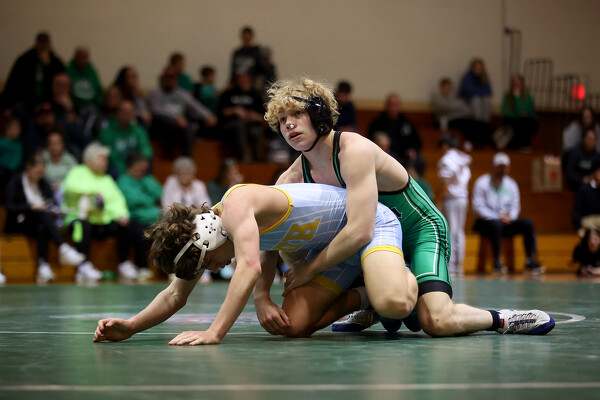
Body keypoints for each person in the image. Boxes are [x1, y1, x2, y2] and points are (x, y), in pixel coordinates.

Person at [262, 77, 554, 337]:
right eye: (282, 119)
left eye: (297, 113)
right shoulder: (290, 178)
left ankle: (502, 319)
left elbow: (361, 230)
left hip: (417, 232)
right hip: (367, 243)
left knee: (435, 320)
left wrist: (310, 269)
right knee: (296, 324)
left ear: (318, 113)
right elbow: (267, 236)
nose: (289, 124)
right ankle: (372, 298)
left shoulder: (353, 150)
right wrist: (261, 296)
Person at [93, 183, 418, 344]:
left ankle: (401, 275)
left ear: (210, 240)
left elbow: (249, 267)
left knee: (396, 304)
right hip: (328, 252)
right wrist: (131, 326)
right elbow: (175, 294)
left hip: (366, 225)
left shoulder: (236, 205)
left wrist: (214, 332)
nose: (215, 269)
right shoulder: (211, 234)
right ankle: (366, 296)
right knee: (295, 326)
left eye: (209, 263)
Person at [5, 151, 85, 283]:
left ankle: (43, 265)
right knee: (41, 214)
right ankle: (62, 248)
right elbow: (9, 206)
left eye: (42, 172)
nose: (40, 175)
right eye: (37, 172)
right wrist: (31, 207)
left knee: (42, 224)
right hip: (19, 221)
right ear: (29, 167)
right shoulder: (16, 181)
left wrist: (55, 210)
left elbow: (51, 203)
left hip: (39, 223)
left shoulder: (43, 183)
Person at [61, 142, 131, 282]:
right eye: (102, 158)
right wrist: (93, 192)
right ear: (90, 159)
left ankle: (124, 263)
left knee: (128, 225)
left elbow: (117, 200)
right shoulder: (77, 172)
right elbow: (69, 187)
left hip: (102, 220)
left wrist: (121, 214)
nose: (105, 162)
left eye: (106, 159)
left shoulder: (107, 179)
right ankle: (84, 265)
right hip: (79, 219)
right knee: (82, 226)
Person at [472, 152, 545, 275]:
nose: (502, 170)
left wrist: (511, 217)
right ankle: (496, 263)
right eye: (499, 167)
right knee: (496, 225)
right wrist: (497, 217)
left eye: (504, 167)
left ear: (508, 168)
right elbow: (478, 207)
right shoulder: (482, 182)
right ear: (494, 167)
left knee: (528, 224)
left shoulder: (511, 184)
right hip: (485, 222)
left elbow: (516, 206)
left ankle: (530, 261)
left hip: (506, 222)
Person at [147, 66, 217, 155]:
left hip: (181, 125)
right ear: (162, 79)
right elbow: (155, 110)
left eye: (172, 78)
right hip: (162, 124)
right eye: (167, 77)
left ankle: (186, 158)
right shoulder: (154, 93)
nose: (169, 81)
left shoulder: (181, 93)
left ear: (176, 80)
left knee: (192, 126)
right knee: (163, 119)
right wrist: (174, 117)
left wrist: (207, 115)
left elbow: (194, 105)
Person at [116, 152, 162, 280]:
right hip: (135, 218)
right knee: (139, 233)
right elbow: (133, 200)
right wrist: (148, 199)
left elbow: (159, 192)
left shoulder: (147, 179)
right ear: (130, 167)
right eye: (139, 169)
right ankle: (142, 266)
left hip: (154, 217)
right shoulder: (124, 181)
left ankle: (170, 268)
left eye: (144, 169)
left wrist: (146, 196)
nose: (142, 171)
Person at [0, 32, 65, 113]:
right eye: (41, 43)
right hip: (27, 100)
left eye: (45, 43)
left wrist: (47, 65)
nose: (43, 46)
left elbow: (61, 81)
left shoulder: (55, 61)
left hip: (49, 100)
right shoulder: (25, 59)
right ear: (36, 44)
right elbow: (13, 82)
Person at [437, 134, 471, 277]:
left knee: (451, 231)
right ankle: (458, 265)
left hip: (452, 199)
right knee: (459, 232)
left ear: (445, 145)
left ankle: (450, 265)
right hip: (463, 198)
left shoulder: (447, 159)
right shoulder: (462, 158)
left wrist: (439, 200)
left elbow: (446, 183)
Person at [432, 77, 494, 148]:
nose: (448, 90)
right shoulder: (438, 99)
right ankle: (484, 142)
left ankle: (493, 133)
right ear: (441, 87)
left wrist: (456, 107)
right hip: (448, 121)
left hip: (460, 118)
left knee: (477, 122)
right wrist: (457, 107)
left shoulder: (454, 98)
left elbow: (465, 108)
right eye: (446, 88)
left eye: (449, 88)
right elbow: (447, 108)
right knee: (466, 124)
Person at [367, 93, 424, 170]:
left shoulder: (407, 123)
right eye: (391, 105)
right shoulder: (377, 123)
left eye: (396, 105)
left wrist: (413, 150)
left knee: (420, 160)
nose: (393, 108)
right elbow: (369, 141)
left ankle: (413, 177)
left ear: (400, 106)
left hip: (405, 155)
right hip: (388, 154)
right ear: (386, 106)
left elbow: (418, 142)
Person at [217, 72, 266, 162]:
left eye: (246, 78)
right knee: (239, 125)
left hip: (250, 124)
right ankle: (244, 156)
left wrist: (254, 116)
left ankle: (257, 159)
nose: (244, 80)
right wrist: (235, 110)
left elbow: (264, 117)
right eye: (241, 78)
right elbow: (222, 112)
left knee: (256, 131)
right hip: (231, 124)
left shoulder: (255, 95)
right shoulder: (229, 93)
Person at [99, 100, 153, 177]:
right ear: (117, 113)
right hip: (116, 167)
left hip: (135, 164)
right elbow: (112, 156)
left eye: (130, 112)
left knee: (149, 160)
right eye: (124, 112)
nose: (127, 115)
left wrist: (139, 164)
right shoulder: (107, 132)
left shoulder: (138, 130)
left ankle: (146, 178)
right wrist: (127, 170)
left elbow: (146, 149)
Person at [501, 74, 538, 150]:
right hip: (512, 120)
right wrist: (518, 113)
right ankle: (515, 148)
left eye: (518, 84)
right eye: (515, 84)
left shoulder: (527, 96)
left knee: (526, 123)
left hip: (525, 120)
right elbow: (505, 112)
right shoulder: (507, 96)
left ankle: (525, 147)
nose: (517, 86)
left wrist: (532, 118)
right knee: (517, 124)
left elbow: (530, 111)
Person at [41, 130, 78, 202]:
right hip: (44, 192)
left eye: (57, 143)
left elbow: (76, 179)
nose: (54, 146)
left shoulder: (70, 160)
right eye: (51, 143)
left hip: (65, 194)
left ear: (62, 144)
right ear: (47, 145)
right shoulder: (42, 158)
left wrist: (61, 185)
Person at [65, 47, 103, 112]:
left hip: (91, 106)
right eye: (80, 56)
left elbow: (98, 91)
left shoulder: (92, 71)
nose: (83, 59)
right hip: (74, 107)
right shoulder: (69, 71)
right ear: (75, 57)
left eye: (85, 57)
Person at [458, 58, 492, 122]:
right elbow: (470, 90)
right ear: (472, 68)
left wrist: (478, 91)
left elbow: (489, 91)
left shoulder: (484, 76)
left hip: (480, 98)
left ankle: (485, 123)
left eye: (480, 68)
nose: (478, 70)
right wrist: (481, 91)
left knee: (486, 99)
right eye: (476, 68)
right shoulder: (467, 76)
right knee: (476, 99)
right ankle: (478, 122)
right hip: (467, 99)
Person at [572, 160, 600, 238]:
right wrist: (579, 228)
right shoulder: (584, 189)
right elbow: (576, 211)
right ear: (594, 173)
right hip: (589, 222)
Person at [0, 117, 23, 199]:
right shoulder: (2, 141)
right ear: (7, 129)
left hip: (16, 171)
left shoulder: (20, 144)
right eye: (12, 128)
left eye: (17, 129)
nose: (14, 131)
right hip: (3, 170)